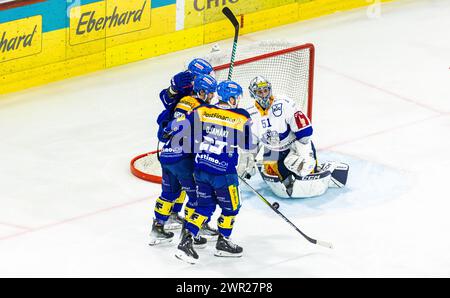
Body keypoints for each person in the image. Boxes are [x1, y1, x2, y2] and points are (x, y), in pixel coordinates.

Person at [171, 80, 255, 264]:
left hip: (201, 169)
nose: (239, 101)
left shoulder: (202, 110)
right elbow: (248, 144)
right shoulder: (241, 116)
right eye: (237, 97)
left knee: (204, 207)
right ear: (231, 98)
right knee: (231, 208)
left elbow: (180, 128)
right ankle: (223, 242)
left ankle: (185, 242)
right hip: (224, 174)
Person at [238, 76, 349, 198]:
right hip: (272, 152)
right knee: (282, 188)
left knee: (306, 180)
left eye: (266, 90)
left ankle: (322, 169)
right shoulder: (249, 115)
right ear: (253, 94)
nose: (264, 94)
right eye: (260, 92)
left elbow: (305, 133)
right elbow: (249, 146)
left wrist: (305, 155)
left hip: (293, 147)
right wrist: (246, 162)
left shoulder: (284, 103)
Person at [149, 74, 217, 246]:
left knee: (168, 194)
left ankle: (157, 227)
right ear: (201, 92)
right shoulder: (201, 109)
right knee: (197, 198)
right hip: (183, 159)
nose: (212, 97)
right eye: (210, 93)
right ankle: (191, 231)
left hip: (167, 154)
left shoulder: (184, 100)